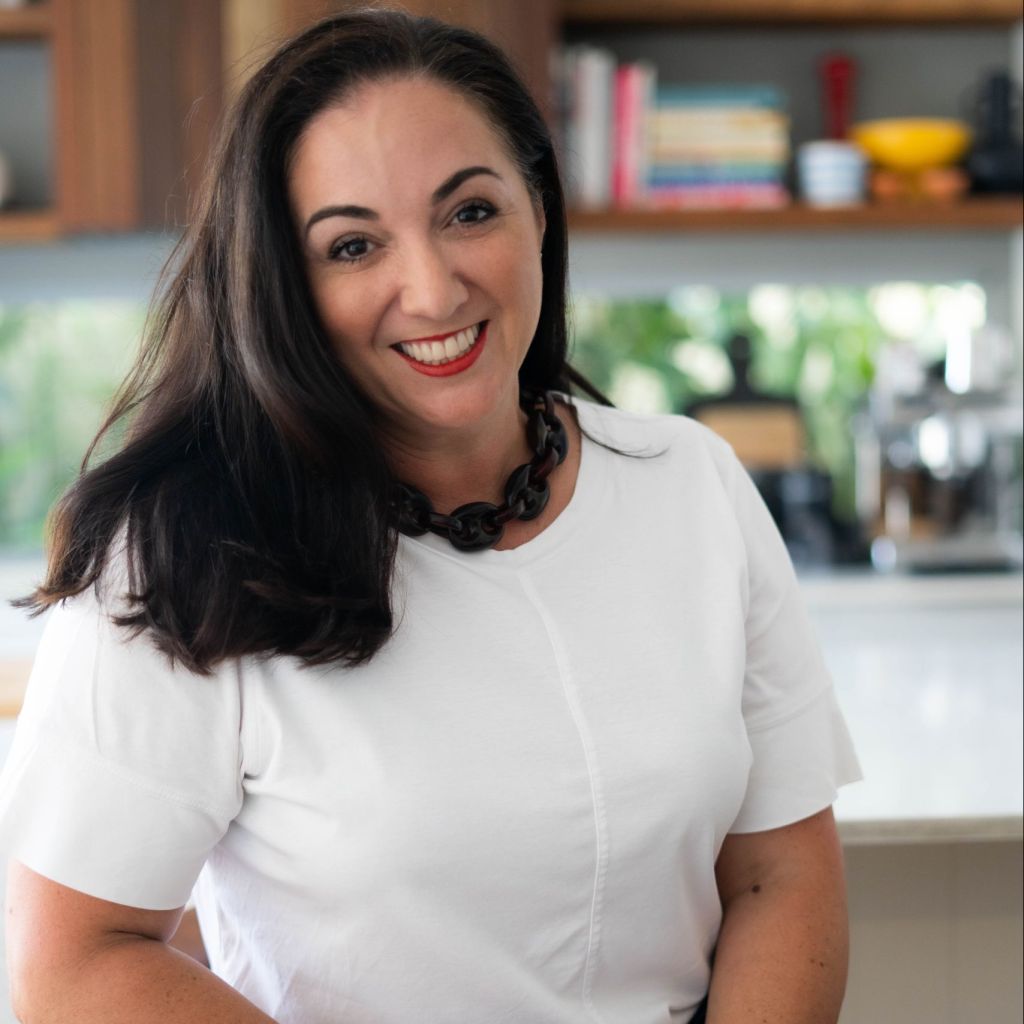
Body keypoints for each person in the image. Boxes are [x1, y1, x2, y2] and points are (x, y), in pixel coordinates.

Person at [0, 8, 861, 1023]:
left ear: (539, 209)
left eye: (469, 212)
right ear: (282, 284)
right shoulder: (179, 551)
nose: (431, 288)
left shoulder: (693, 484)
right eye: (352, 245)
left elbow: (777, 875)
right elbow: (73, 967)